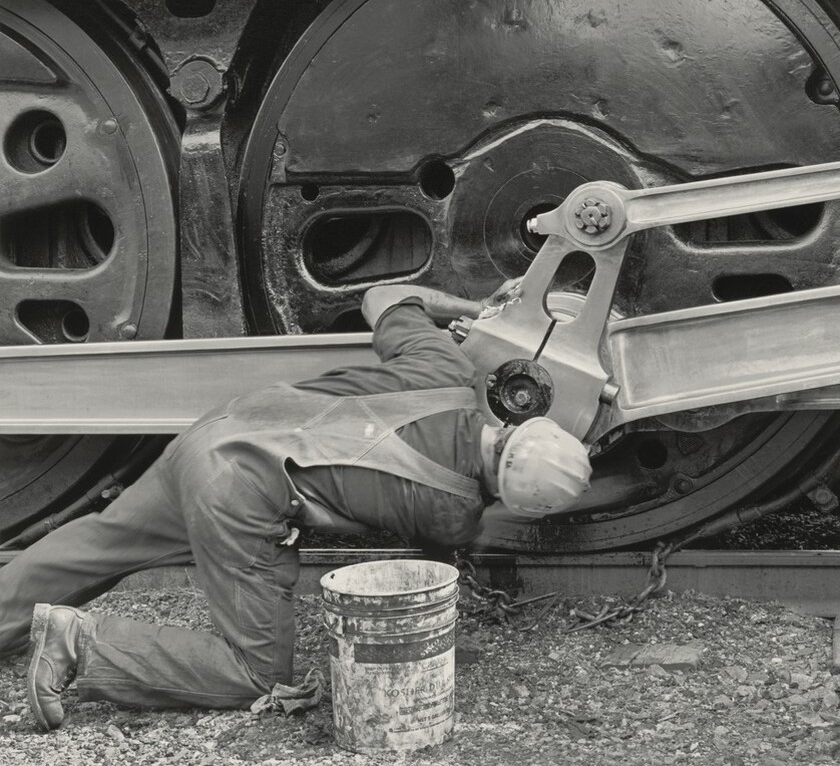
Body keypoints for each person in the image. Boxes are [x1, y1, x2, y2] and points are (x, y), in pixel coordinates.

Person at [0, 282, 591, 731]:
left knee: (103, 541)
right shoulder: (450, 512)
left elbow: (385, 296)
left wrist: (476, 306)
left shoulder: (445, 368)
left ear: (518, 421)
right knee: (255, 674)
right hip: (240, 492)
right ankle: (78, 644)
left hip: (225, 428)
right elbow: (461, 549)